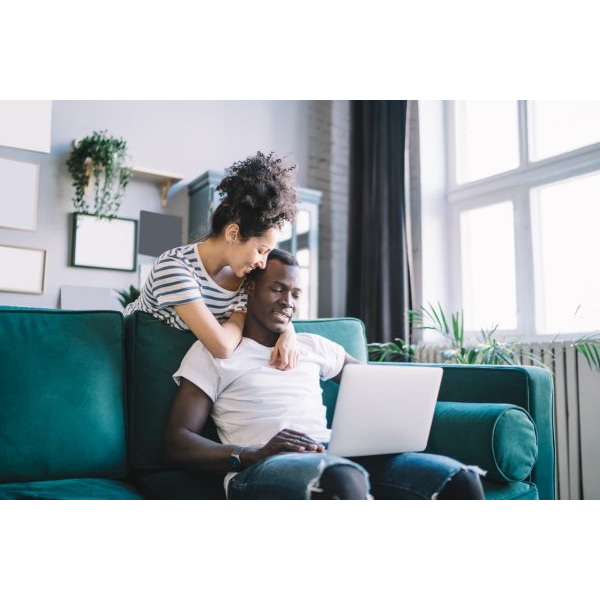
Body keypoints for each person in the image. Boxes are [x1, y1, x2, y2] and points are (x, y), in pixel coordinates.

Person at [164, 249, 486, 500]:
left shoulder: (312, 345)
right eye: (276, 289)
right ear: (250, 287)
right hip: (261, 467)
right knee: (343, 478)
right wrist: (253, 455)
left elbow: (378, 388)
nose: (287, 302)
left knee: (461, 480)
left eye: (295, 294)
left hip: (335, 455)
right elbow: (177, 442)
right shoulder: (215, 351)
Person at [125, 151, 299, 369]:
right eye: (261, 251)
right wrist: (239, 315)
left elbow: (279, 306)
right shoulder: (174, 268)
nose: (263, 263)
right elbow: (222, 347)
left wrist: (289, 332)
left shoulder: (248, 276)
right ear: (233, 234)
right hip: (130, 360)